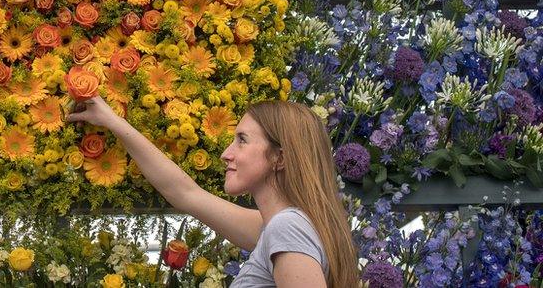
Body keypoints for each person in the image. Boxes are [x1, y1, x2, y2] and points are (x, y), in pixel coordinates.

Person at [66, 96, 358, 288]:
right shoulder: (277, 226)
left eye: (242, 140)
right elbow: (184, 193)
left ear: (279, 158)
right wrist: (113, 121)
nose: (226, 154)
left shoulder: (287, 227)